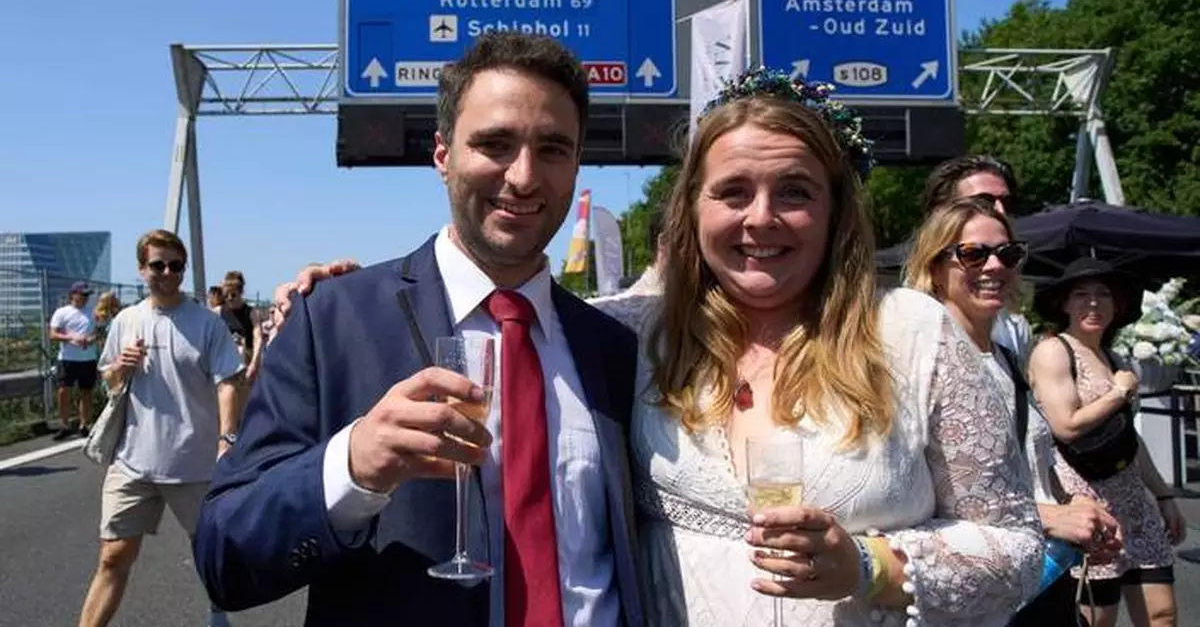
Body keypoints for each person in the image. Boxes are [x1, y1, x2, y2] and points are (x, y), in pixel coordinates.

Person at [281, 69, 1044, 626]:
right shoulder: (636, 332)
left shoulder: (913, 331)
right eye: (732, 192)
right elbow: (494, 300)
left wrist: (873, 566)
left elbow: (1017, 545)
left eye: (796, 192)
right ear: (693, 207)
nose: (762, 218)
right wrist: (338, 295)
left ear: (837, 209)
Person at [192, 33, 644, 627]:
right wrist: (351, 465)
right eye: (495, 144)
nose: (525, 176)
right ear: (442, 155)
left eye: (553, 149)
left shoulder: (612, 347)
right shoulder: (330, 321)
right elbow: (225, 555)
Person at [903, 197, 1122, 625]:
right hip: (974, 588)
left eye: (1008, 254)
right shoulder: (921, 361)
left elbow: (1019, 464)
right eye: (972, 254)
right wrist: (1049, 517)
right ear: (934, 266)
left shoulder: (1005, 356)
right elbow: (911, 493)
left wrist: (1073, 502)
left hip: (1037, 573)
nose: (994, 267)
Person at [77, 230, 243, 627]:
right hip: (133, 461)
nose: (168, 272)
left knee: (208, 552)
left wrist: (228, 438)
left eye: (176, 265)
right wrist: (120, 368)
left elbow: (229, 382)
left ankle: (218, 613)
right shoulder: (126, 321)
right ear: (141, 269)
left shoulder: (206, 324)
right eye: (158, 265)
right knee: (112, 555)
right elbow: (111, 383)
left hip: (195, 462)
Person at [1027, 258, 1188, 627]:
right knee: (1096, 620)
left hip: (1133, 502)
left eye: (1103, 295)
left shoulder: (1113, 357)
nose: (1093, 303)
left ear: (1118, 306)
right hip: (1088, 503)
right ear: (1064, 304)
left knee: (1162, 615)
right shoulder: (1054, 351)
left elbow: (1129, 439)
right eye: (1082, 295)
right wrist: (1118, 393)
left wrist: (1163, 495)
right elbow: (1066, 426)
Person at [920, 154, 1034, 365]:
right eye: (984, 201)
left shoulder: (1015, 327)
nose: (1000, 211)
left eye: (1007, 202)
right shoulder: (908, 329)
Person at [49, 281, 99, 439]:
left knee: (86, 392)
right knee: (63, 391)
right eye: (82, 294)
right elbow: (53, 334)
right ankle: (64, 425)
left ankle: (84, 425)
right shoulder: (62, 312)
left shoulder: (93, 312)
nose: (85, 298)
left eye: (87, 295)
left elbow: (98, 333)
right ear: (73, 295)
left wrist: (90, 340)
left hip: (88, 358)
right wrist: (70, 337)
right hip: (67, 358)